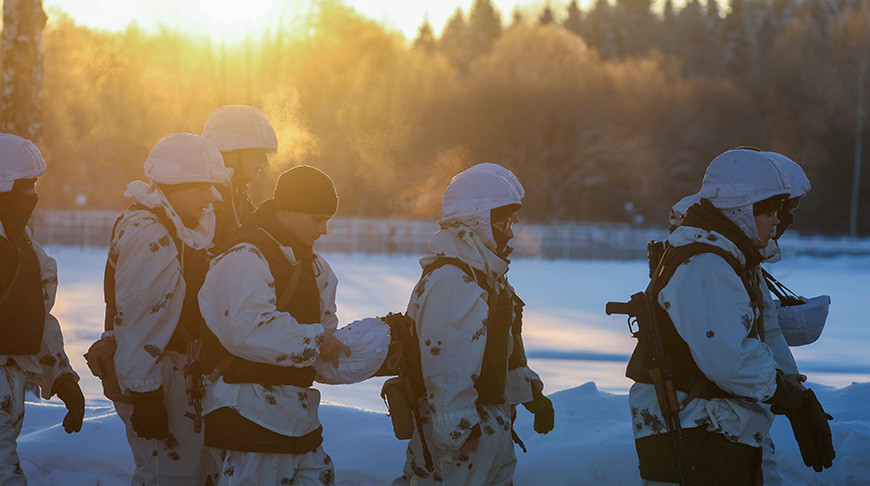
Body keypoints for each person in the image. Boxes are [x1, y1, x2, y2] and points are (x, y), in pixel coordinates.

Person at [628, 149, 835, 485]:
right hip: (696, 430)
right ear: (741, 211)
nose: (778, 221)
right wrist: (792, 400)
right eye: (770, 211)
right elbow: (731, 360)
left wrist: (792, 389)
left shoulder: (729, 259)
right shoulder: (706, 266)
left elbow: (763, 333)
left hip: (714, 426)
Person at [394, 163, 554, 486]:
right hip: (460, 443)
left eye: (512, 222)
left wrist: (529, 392)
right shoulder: (452, 281)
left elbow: (502, 351)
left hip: (489, 428)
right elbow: (445, 364)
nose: (510, 232)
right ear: (476, 221)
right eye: (502, 222)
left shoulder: (487, 279)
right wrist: (459, 428)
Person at [197, 165, 350, 485]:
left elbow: (326, 337)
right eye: (317, 219)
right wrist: (316, 340)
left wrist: (371, 349)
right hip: (247, 413)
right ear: (288, 210)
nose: (324, 230)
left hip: (300, 420)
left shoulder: (317, 269)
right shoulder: (244, 257)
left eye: (327, 220)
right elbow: (246, 329)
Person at [106, 133, 229, 485]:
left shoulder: (174, 228)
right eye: (202, 187)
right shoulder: (151, 234)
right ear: (174, 186)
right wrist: (146, 396)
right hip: (160, 380)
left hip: (178, 376)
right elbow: (138, 321)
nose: (212, 197)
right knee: (169, 477)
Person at [0, 133, 85, 482]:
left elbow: (33, 316)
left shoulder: (21, 245)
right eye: (26, 186)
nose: (33, 196)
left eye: (35, 185)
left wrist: (61, 377)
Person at [202, 105, 278, 247]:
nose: (264, 160)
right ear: (231, 153)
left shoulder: (236, 196)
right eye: (257, 151)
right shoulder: (208, 203)